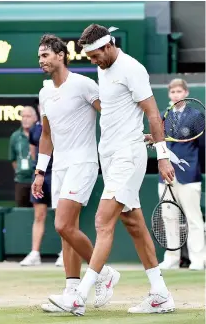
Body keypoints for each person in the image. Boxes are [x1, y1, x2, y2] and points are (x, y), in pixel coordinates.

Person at [48, 24, 176, 315]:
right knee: (134, 224)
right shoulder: (103, 68)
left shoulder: (132, 68)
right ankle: (160, 294)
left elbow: (153, 113)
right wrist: (136, 133)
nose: (92, 60)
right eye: (89, 56)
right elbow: (123, 113)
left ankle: (79, 296)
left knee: (103, 221)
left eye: (94, 55)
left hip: (126, 158)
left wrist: (163, 155)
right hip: (112, 156)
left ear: (108, 46)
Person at [32, 34, 120, 315]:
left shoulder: (84, 84)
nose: (41, 61)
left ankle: (103, 273)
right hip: (59, 167)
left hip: (83, 163)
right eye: (39, 57)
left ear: (61, 55)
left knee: (61, 225)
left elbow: (108, 114)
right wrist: (39, 171)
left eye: (45, 55)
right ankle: (71, 292)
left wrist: (126, 138)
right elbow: (46, 135)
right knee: (67, 232)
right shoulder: (45, 92)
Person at [156, 79, 205, 271]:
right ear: (169, 95)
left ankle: (198, 259)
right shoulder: (162, 117)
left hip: (189, 174)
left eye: (179, 91)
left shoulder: (196, 116)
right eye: (173, 92)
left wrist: (193, 166)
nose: (176, 95)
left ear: (186, 93)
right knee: (169, 218)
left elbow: (203, 146)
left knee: (194, 218)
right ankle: (172, 259)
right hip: (166, 176)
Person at [20, 106, 63, 267]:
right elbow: (34, 153)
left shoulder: (60, 124)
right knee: (39, 216)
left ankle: (65, 253)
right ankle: (35, 253)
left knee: (62, 216)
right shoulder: (35, 130)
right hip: (40, 176)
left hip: (59, 173)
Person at [9, 106, 37, 207]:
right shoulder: (15, 136)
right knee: (21, 212)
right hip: (21, 182)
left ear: (35, 118)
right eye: (23, 116)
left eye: (28, 116)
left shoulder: (41, 134)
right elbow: (13, 159)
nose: (25, 119)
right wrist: (20, 172)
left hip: (38, 181)